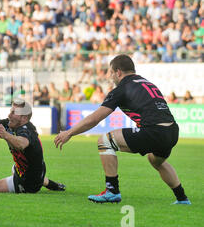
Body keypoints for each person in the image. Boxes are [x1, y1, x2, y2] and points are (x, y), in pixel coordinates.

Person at [54, 54, 191, 205]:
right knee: (156, 160)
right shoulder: (146, 82)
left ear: (118, 72)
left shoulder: (121, 89)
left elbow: (94, 119)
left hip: (154, 131)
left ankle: (112, 191)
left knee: (105, 141)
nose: (110, 77)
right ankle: (182, 198)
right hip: (171, 131)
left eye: (111, 73)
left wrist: (69, 132)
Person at [0, 98, 65, 194]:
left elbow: (21, 144)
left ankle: (34, 184)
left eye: (14, 112)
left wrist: (5, 135)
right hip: (36, 170)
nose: (9, 115)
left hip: (27, 182)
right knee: (16, 168)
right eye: (10, 111)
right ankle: (54, 185)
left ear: (24, 118)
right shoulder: (11, 123)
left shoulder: (27, 130)